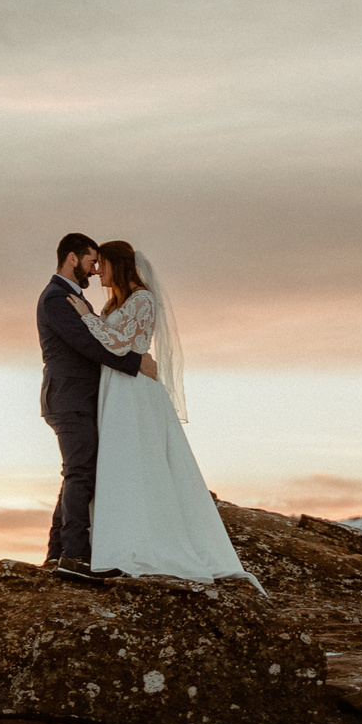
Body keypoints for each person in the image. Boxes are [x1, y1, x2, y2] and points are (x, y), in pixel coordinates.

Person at [75, 240, 250, 583]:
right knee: (118, 461)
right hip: (114, 385)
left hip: (134, 389)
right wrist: (96, 320)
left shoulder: (142, 299)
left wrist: (87, 320)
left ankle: (146, 542)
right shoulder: (116, 303)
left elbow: (118, 342)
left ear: (118, 265)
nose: (98, 272)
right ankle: (116, 542)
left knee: (139, 460)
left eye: (104, 265)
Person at [37, 233, 155, 573]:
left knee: (77, 471)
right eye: (91, 262)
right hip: (69, 398)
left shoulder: (74, 298)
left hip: (81, 398)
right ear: (73, 258)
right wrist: (136, 364)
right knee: (80, 473)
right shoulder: (56, 298)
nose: (94, 270)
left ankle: (58, 552)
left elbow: (100, 337)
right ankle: (74, 555)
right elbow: (86, 345)